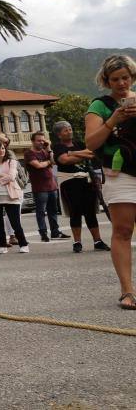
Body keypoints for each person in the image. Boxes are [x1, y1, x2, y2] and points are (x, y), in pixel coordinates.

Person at [84, 54, 136, 309]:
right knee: (123, 230)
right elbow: (91, 143)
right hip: (120, 173)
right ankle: (127, 291)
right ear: (106, 80)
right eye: (115, 79)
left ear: (132, 76)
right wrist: (113, 120)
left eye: (125, 77)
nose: (121, 83)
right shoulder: (99, 106)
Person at [52, 121, 110, 254]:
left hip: (86, 180)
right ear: (59, 134)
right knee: (75, 212)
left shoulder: (79, 143)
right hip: (70, 181)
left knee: (90, 212)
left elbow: (91, 153)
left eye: (70, 129)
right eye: (65, 130)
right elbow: (64, 160)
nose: (69, 131)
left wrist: (72, 153)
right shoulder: (58, 146)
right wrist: (78, 155)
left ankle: (98, 241)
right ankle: (77, 242)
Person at [0, 142, 30, 254]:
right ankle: (2, 245)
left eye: (3, 148)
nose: (1, 150)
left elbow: (12, 176)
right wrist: (1, 175)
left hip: (11, 196)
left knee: (15, 223)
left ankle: (23, 244)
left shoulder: (11, 162)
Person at [25, 132, 68, 242]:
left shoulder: (45, 152)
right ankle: (43, 233)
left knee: (53, 211)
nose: (41, 142)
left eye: (43, 140)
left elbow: (54, 162)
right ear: (33, 141)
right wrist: (48, 162)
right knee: (41, 212)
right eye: (39, 140)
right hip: (40, 188)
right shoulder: (29, 153)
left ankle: (55, 232)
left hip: (51, 185)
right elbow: (38, 165)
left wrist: (49, 149)